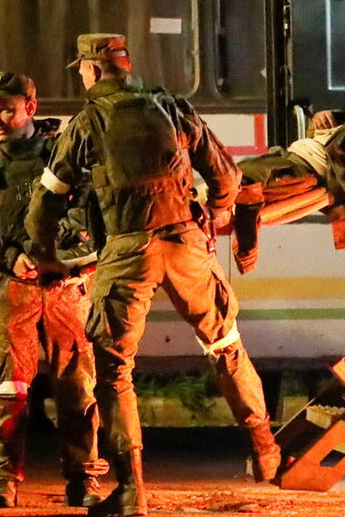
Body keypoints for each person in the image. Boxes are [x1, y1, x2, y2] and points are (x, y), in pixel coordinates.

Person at [25, 34, 280, 517]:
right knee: (225, 343)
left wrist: (45, 257)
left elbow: (46, 201)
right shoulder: (173, 107)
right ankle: (265, 448)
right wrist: (215, 212)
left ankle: (132, 491)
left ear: (93, 71)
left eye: (82, 71)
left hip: (128, 252)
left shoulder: (86, 123)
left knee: (114, 369)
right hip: (187, 246)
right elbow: (226, 177)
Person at [0, 72, 104, 508]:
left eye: (6, 109)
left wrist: (69, 258)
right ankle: (2, 480)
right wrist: (9, 257)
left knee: (77, 386)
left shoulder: (65, 155)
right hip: (9, 288)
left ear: (30, 108)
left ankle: (84, 480)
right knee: (7, 386)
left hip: (66, 287)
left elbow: (92, 212)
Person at [232, 76, 345, 273]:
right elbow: (341, 143)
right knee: (238, 182)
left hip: (296, 168)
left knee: (240, 185)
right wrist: (320, 120)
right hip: (288, 162)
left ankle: (243, 246)